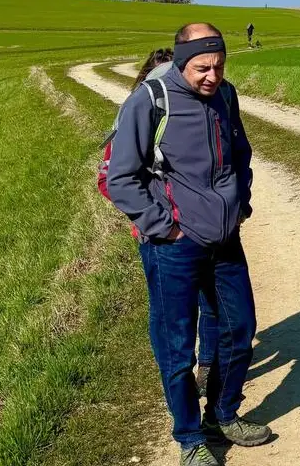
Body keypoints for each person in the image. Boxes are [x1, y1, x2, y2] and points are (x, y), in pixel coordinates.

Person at [108, 24, 266, 466]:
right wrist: (165, 227)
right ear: (181, 63)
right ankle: (190, 439)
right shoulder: (149, 100)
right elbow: (120, 178)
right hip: (172, 247)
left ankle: (222, 414)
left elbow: (240, 154)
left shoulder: (226, 96)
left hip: (225, 240)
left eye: (219, 66)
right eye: (202, 68)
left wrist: (240, 203)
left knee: (239, 329)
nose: (213, 76)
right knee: (177, 347)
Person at [128, 48, 222, 396]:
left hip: (203, 231)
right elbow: (110, 178)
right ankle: (179, 375)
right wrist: (158, 221)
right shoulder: (139, 115)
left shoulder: (203, 111)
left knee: (210, 303)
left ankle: (208, 366)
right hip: (161, 238)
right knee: (170, 314)